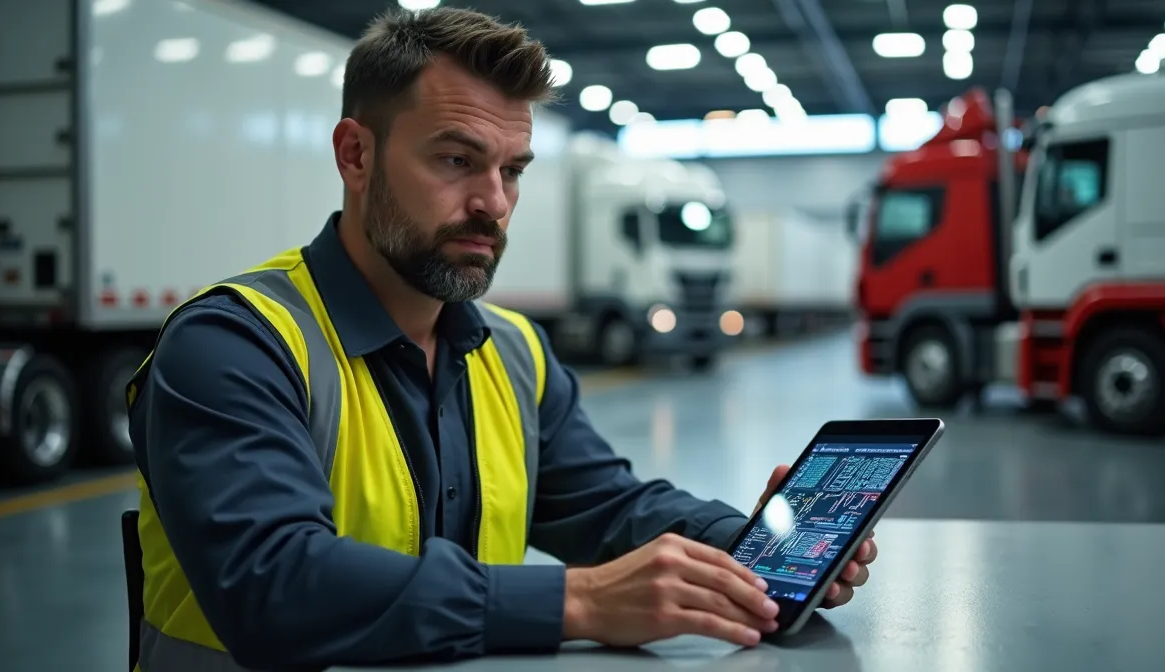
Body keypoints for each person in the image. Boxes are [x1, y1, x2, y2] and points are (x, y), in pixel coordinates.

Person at [126, 6, 879, 670]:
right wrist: (578, 601)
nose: (493, 202)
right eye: (457, 160)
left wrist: (751, 547)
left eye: (512, 170)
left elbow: (607, 507)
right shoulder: (236, 343)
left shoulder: (512, 352)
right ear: (356, 155)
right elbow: (273, 586)